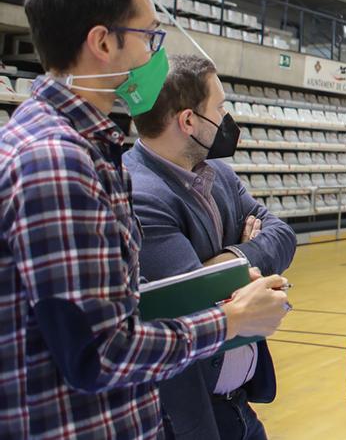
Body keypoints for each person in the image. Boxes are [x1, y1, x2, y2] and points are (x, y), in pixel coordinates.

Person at [0, 0, 290, 439]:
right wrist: (229, 317)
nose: (158, 54)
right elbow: (100, 353)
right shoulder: (58, 161)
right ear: (103, 42)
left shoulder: (82, 147)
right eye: (150, 37)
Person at [125, 54, 297, 439]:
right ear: (188, 121)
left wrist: (232, 257)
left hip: (240, 404)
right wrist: (243, 261)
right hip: (192, 414)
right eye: (219, 108)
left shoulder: (218, 172)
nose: (226, 119)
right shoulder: (138, 193)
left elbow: (282, 234)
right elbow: (194, 302)